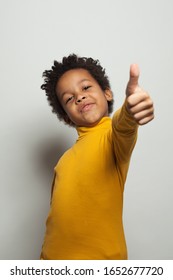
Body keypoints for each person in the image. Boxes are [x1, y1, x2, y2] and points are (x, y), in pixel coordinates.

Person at [40, 54, 154, 260]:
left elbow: (124, 126)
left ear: (107, 93)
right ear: (67, 116)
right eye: (69, 98)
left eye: (86, 88)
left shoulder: (112, 136)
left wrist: (130, 109)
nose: (79, 97)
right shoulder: (63, 161)